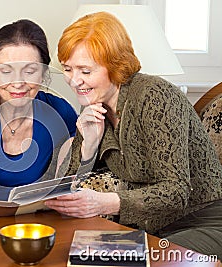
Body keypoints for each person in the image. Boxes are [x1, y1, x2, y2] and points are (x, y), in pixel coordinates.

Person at [45, 12, 222, 258]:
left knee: (144, 260)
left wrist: (104, 202)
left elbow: (177, 190)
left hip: (205, 222)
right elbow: (68, 189)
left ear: (114, 66)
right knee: (75, 257)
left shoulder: (155, 96)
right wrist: (88, 147)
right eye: (67, 69)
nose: (74, 82)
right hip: (152, 226)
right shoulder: (94, 105)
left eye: (85, 71)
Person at [0, 19, 78, 200]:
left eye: (30, 71)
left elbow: (78, 177)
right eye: (6, 71)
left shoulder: (60, 112)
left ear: (44, 73)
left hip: (43, 222)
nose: (17, 83)